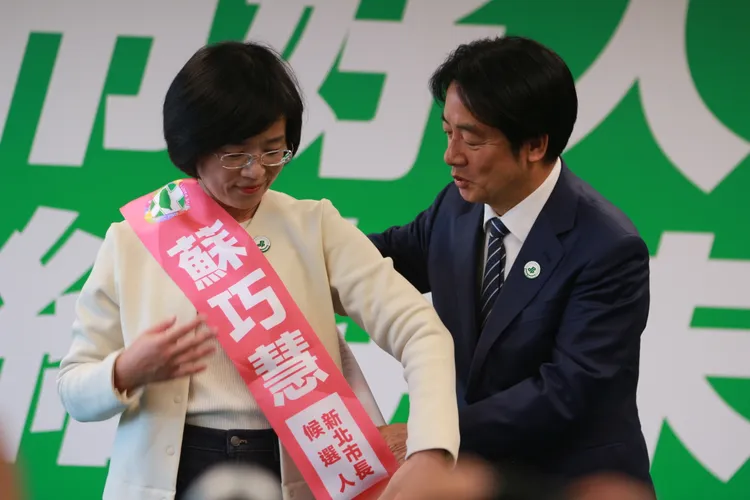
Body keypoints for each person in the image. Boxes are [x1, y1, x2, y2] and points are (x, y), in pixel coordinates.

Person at [57, 40, 459, 500]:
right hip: (172, 472)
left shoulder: (314, 227)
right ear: (193, 147)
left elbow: (418, 329)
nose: (256, 172)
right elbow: (73, 388)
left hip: (295, 469)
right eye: (235, 155)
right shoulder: (134, 239)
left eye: (273, 151)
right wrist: (126, 369)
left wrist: (431, 446)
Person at [369, 35, 653, 488]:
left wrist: (432, 434)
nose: (451, 155)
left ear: (535, 145)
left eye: (471, 139)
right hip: (473, 482)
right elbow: (383, 259)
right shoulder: (457, 207)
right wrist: (289, 249)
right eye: (447, 132)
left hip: (569, 486)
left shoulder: (608, 248)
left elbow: (565, 391)